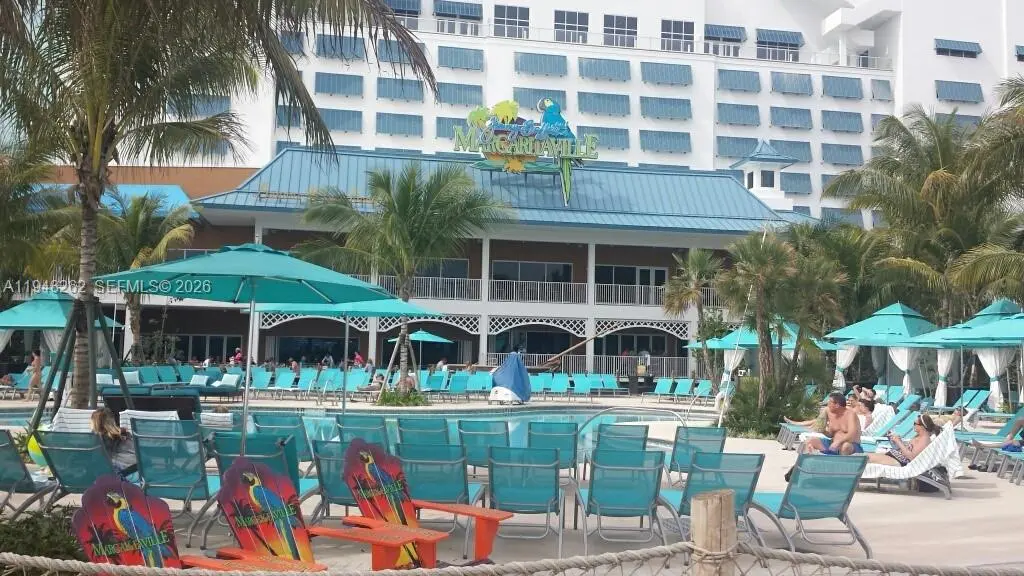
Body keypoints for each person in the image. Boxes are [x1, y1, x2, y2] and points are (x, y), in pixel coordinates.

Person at [868, 414, 942, 466]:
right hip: (895, 457)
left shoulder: (924, 440)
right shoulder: (919, 437)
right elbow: (905, 450)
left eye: (915, 423)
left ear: (922, 426)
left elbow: (912, 458)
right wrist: (896, 442)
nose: (913, 425)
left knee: (867, 459)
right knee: (866, 457)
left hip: (900, 462)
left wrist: (899, 442)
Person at [90, 408, 137, 477]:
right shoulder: (125, 435)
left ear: (95, 424)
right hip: (137, 472)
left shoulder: (101, 440)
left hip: (122, 475)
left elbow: (97, 464)